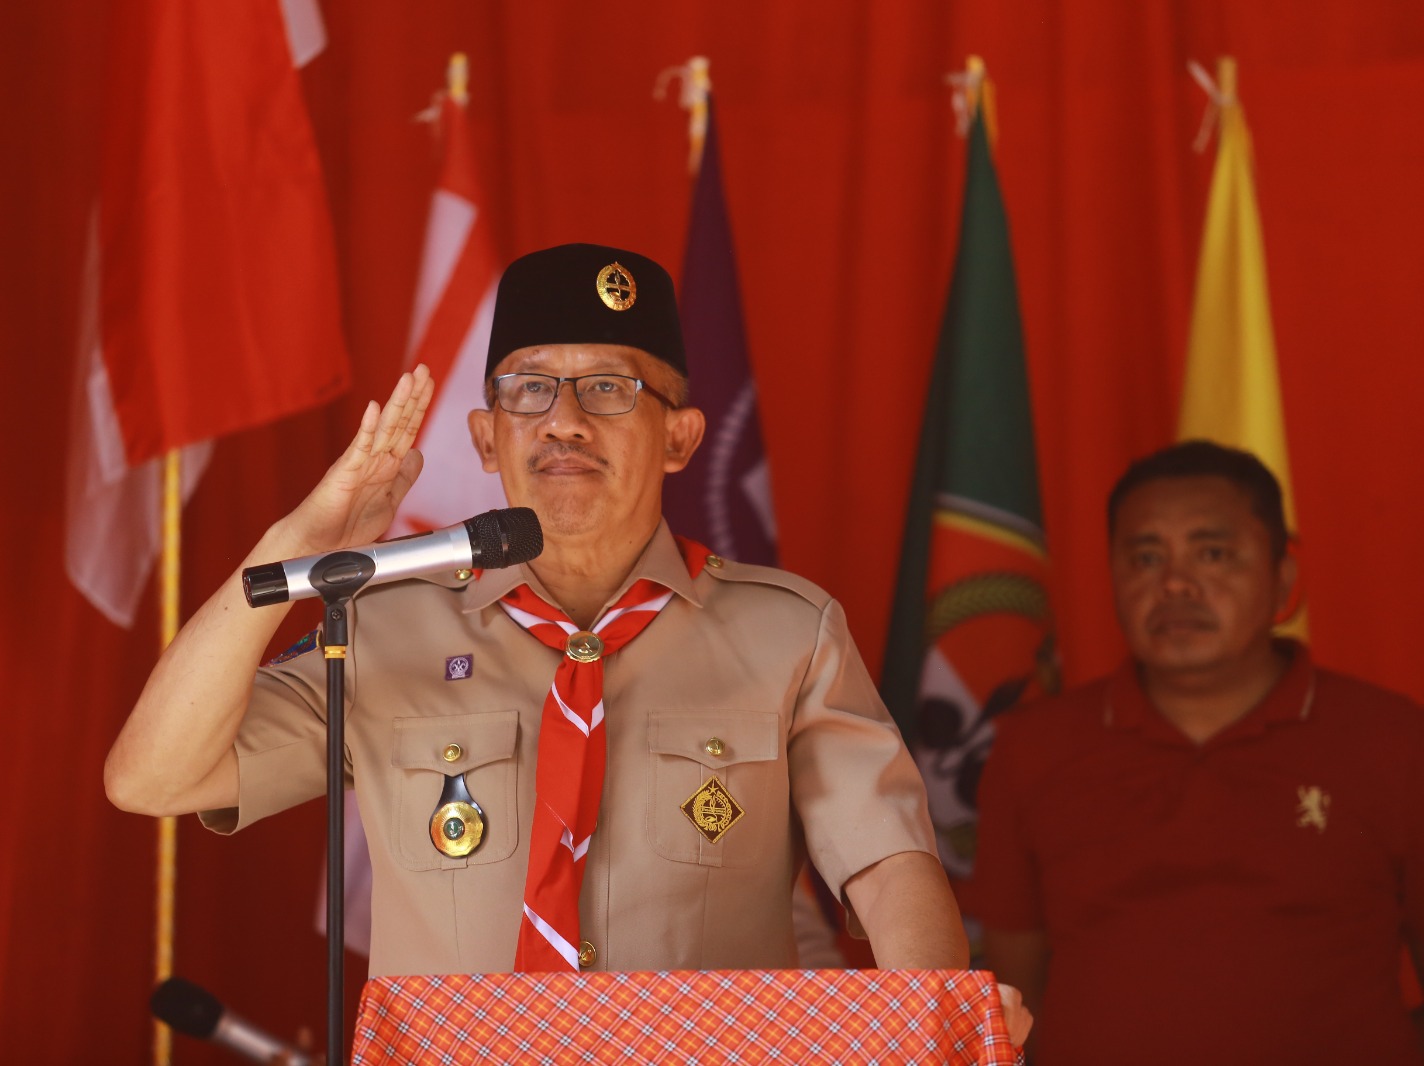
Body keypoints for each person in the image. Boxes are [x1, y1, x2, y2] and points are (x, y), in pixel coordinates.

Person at [105, 245, 1008, 1006]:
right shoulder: (379, 633)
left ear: (682, 438)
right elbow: (151, 777)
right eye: (529, 390)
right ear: (487, 437)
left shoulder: (790, 634)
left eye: (610, 389)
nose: (564, 422)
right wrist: (292, 552)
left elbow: (886, 866)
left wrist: (927, 1024)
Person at [969, 439, 1424, 1064]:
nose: (1177, 583)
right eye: (1146, 557)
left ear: (1282, 577)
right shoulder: (1036, 746)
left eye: (1213, 554)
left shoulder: (1393, 740)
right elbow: (1015, 987)